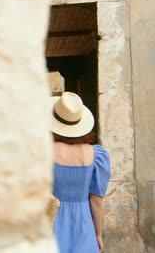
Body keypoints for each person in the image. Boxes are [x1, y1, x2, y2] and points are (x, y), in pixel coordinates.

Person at [51, 92, 111, 253]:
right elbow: (96, 200)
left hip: (50, 221)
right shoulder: (97, 155)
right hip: (83, 225)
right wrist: (98, 235)